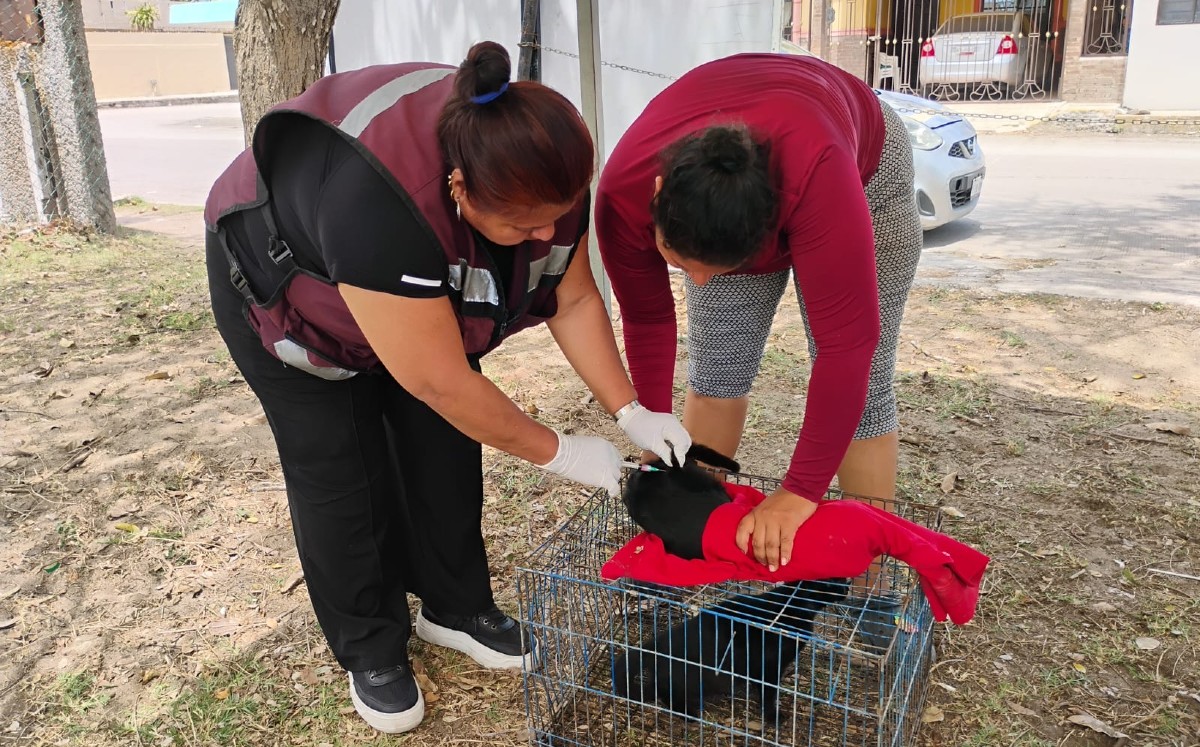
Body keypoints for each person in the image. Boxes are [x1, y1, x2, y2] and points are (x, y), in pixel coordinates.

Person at [203, 42, 690, 735]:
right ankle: (371, 645)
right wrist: (562, 452)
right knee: (341, 465)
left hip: (400, 295)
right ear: (460, 190)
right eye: (526, 224)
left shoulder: (542, 165)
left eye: (559, 213)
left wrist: (630, 409)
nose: (547, 233)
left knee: (445, 446)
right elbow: (437, 378)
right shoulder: (379, 205)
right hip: (284, 288)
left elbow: (575, 300)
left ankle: (454, 605)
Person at [596, 53, 922, 585]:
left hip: (862, 167)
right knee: (719, 367)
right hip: (724, 183)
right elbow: (647, 317)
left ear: (762, 234)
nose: (696, 283)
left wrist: (798, 494)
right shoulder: (623, 192)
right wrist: (651, 428)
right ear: (657, 199)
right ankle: (696, 536)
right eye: (681, 264)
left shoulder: (818, 177)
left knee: (868, 385)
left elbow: (848, 350)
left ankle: (871, 581)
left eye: (716, 269)